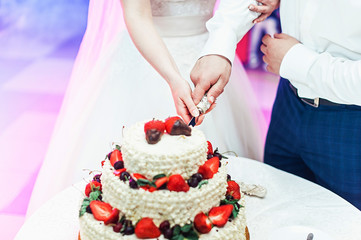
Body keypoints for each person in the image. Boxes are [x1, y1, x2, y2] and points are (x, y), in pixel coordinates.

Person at [26, 0, 274, 216]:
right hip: (147, 55)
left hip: (211, 53)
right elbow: (136, 15)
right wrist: (174, 79)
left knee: (219, 189)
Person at [192, 0, 361, 210]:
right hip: (288, 103)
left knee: (345, 224)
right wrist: (220, 47)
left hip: (352, 124)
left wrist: (295, 62)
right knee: (275, 212)